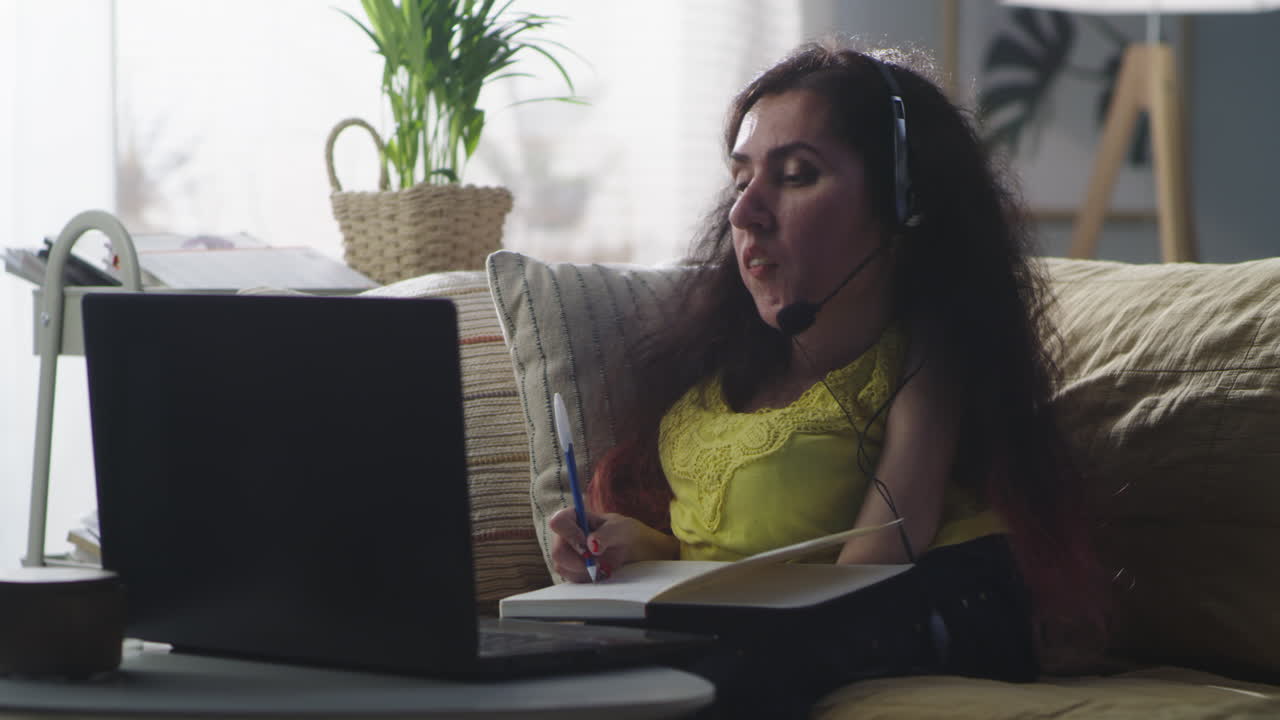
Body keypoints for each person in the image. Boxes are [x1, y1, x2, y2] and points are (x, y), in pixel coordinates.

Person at [548, 38, 1104, 717]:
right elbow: (730, 558)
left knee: (722, 671)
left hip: (933, 601)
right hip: (774, 625)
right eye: (741, 179)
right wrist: (637, 548)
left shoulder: (928, 354)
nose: (743, 213)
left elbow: (879, 555)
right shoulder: (710, 389)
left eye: (795, 175)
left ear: (902, 203)